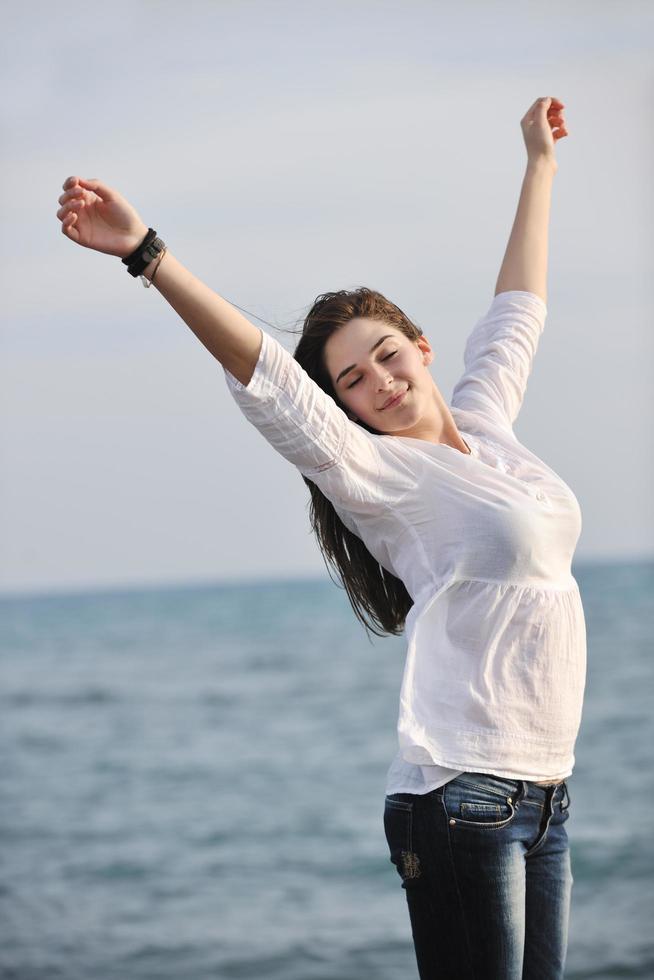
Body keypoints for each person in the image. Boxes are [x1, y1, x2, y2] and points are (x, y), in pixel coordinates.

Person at [56, 95, 580, 980]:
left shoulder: (489, 430)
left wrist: (539, 165)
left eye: (385, 354)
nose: (376, 380)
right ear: (343, 409)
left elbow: (517, 309)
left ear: (419, 345)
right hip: (460, 798)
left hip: (546, 794)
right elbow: (267, 375)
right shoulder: (381, 478)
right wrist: (148, 255)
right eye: (350, 380)